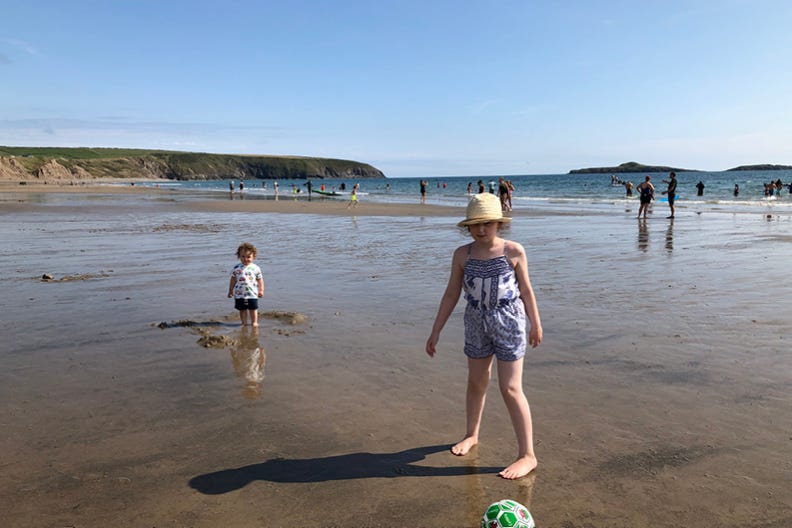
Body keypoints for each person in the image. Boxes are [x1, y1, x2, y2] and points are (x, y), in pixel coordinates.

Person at [426, 193, 543, 480]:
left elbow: (526, 291)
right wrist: (436, 329)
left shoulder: (513, 251)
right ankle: (471, 434)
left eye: (487, 224)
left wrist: (535, 324)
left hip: (509, 322)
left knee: (510, 388)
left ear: (498, 224)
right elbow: (452, 293)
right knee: (477, 381)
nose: (480, 230)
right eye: (475, 225)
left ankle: (528, 455)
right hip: (475, 322)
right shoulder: (462, 255)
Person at [227, 242, 264, 327]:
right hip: (240, 294)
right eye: (242, 256)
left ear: (253, 257)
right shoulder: (236, 268)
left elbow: (260, 279)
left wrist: (261, 290)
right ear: (239, 256)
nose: (245, 259)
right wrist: (230, 291)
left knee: (253, 308)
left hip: (252, 293)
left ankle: (254, 322)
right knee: (242, 309)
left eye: (248, 257)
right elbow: (233, 280)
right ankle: (243, 322)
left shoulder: (256, 268)